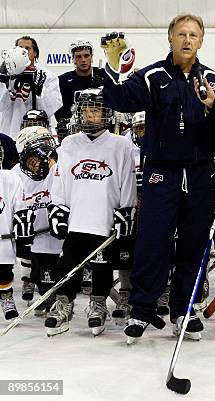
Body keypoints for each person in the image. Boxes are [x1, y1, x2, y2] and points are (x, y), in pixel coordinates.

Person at [101, 14, 215, 343]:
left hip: (201, 172)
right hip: (162, 170)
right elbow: (117, 99)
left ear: (201, 41)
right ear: (170, 38)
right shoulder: (152, 76)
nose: (187, 40)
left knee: (193, 244)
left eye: (193, 35)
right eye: (181, 34)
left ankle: (184, 310)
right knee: (153, 241)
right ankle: (142, 310)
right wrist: (114, 71)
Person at [43, 88, 137, 337]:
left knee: (102, 269)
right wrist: (59, 208)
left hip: (104, 221)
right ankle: (64, 303)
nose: (90, 115)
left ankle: (98, 305)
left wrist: (125, 211)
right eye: (86, 110)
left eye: (95, 110)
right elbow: (61, 182)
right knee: (67, 266)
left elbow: (127, 183)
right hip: (77, 221)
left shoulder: (121, 145)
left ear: (106, 113)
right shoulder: (69, 144)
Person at [12, 126, 62, 316]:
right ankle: (47, 294)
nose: (43, 158)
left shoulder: (59, 167)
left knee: (64, 271)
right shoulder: (17, 174)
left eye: (47, 149)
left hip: (60, 233)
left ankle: (63, 298)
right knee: (42, 274)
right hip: (37, 237)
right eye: (35, 156)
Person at [0, 37, 61, 140]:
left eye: (27, 48)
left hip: (38, 133)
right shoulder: (7, 75)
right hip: (10, 132)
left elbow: (52, 108)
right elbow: (1, 106)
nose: (23, 52)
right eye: (20, 48)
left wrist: (40, 91)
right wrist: (3, 82)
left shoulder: (47, 76)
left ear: (35, 53)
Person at [0, 143, 24, 321]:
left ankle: (7, 298)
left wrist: (21, 223)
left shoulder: (10, 178)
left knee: (3, 271)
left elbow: (19, 207)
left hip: (3, 238)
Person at [55, 39, 105, 121]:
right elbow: (59, 110)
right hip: (73, 127)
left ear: (91, 57)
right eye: (78, 56)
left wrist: (102, 88)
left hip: (99, 124)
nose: (83, 60)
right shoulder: (63, 80)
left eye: (86, 55)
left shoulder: (103, 75)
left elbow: (113, 103)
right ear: (73, 59)